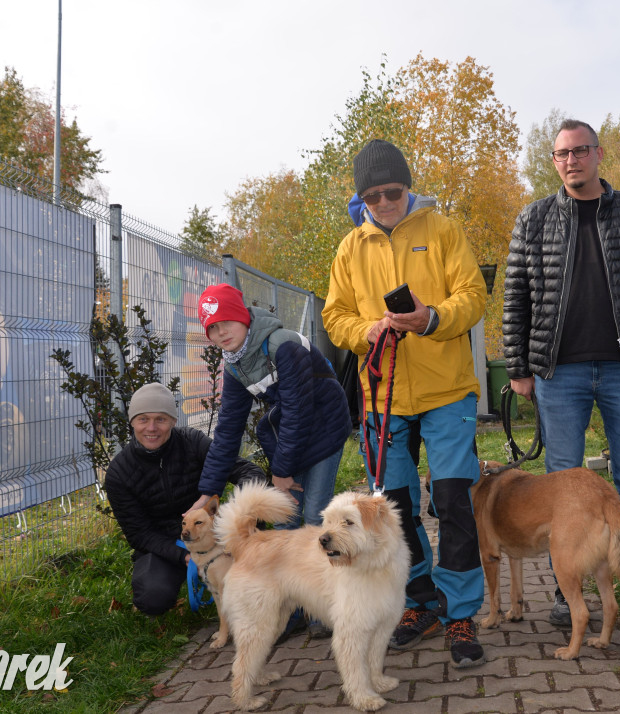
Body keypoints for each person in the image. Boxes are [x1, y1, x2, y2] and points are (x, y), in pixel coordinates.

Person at [502, 119, 620, 623]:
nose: (571, 160)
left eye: (580, 151)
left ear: (598, 154)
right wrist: (518, 368)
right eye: (562, 154)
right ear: (554, 160)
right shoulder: (533, 219)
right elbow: (515, 298)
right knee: (563, 488)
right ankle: (571, 592)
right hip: (559, 376)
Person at [322, 138, 488, 669]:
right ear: (362, 199)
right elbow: (334, 316)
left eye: (393, 191)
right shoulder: (350, 248)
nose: (384, 201)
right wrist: (365, 331)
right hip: (383, 397)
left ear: (407, 186)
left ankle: (461, 611)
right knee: (390, 508)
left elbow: (473, 295)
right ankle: (420, 601)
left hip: (447, 392)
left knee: (453, 501)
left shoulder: (442, 230)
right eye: (372, 195)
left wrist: (431, 318)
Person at [189, 283, 353, 639]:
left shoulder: (283, 345)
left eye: (226, 323)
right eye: (213, 329)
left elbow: (298, 410)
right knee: (284, 522)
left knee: (313, 518)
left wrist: (281, 472)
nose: (221, 334)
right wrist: (208, 492)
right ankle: (292, 604)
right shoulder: (234, 367)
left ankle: (326, 607)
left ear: (243, 317)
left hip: (325, 427)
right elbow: (228, 433)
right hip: (291, 435)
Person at [105, 382, 267, 616]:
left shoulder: (192, 442)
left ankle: (260, 581)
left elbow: (251, 473)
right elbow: (140, 535)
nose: (151, 428)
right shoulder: (119, 472)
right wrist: (186, 556)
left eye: (161, 419)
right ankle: (188, 576)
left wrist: (232, 517)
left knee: (251, 510)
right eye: (143, 419)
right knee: (152, 598)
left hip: (213, 533)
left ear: (173, 421)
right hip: (167, 545)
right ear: (132, 422)